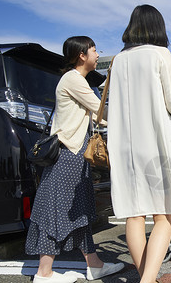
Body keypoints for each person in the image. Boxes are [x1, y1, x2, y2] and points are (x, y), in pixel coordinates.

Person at [25, 36, 124, 283]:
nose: (97, 54)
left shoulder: (76, 80)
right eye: (93, 50)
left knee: (78, 210)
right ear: (81, 55)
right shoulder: (73, 79)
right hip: (67, 154)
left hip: (74, 154)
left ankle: (95, 265)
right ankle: (44, 273)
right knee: (55, 208)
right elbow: (100, 111)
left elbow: (94, 115)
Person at [107, 5, 171, 283]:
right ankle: (146, 281)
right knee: (166, 213)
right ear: (158, 27)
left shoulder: (117, 60)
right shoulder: (160, 53)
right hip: (155, 143)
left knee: (134, 214)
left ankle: (147, 277)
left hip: (123, 147)